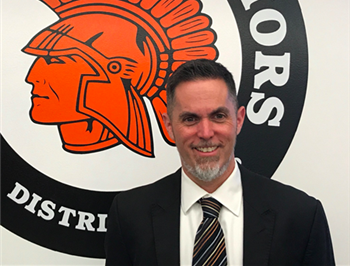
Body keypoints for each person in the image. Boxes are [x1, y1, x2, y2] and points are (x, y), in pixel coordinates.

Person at [105, 59, 335, 266]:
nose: (205, 132)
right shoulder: (129, 215)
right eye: (190, 118)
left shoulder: (301, 216)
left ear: (238, 119)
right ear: (168, 126)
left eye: (218, 116)